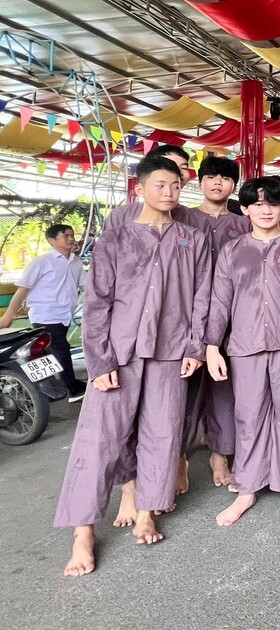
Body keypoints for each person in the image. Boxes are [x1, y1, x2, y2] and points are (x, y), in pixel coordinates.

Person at [54, 155, 211, 577]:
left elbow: (202, 297)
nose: (169, 192)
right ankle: (83, 532)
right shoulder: (115, 239)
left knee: (163, 433)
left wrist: (195, 346)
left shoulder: (192, 239)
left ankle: (147, 512)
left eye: (176, 185)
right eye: (160, 184)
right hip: (119, 353)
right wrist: (99, 359)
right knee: (99, 440)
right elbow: (97, 303)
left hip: (170, 351)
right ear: (139, 188)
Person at [205, 176, 280, 527]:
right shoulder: (233, 250)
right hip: (246, 345)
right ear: (245, 209)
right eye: (257, 204)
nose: (265, 210)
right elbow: (220, 300)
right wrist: (212, 346)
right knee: (249, 416)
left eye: (272, 203)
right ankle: (247, 488)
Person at [181, 155, 251, 490]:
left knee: (224, 386)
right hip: (185, 314)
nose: (217, 182)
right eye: (211, 177)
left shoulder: (243, 224)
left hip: (230, 316)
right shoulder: (182, 217)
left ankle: (220, 453)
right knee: (184, 389)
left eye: (225, 178)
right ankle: (178, 456)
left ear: (233, 186)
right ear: (200, 182)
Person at [0, 222, 87, 400]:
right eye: (66, 236)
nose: (71, 239)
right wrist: (8, 315)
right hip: (45, 314)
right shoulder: (41, 262)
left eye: (72, 235)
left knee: (51, 351)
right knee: (61, 348)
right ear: (51, 240)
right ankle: (72, 388)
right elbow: (22, 290)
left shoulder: (76, 262)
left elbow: (86, 287)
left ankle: (45, 390)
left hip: (65, 315)